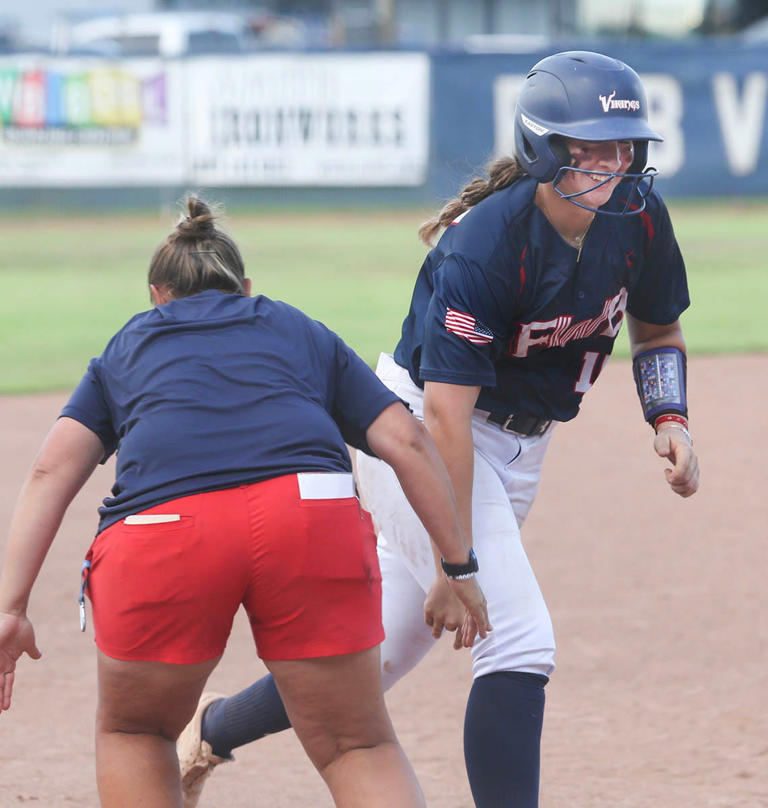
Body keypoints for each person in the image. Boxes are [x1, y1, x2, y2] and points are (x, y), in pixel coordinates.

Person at [175, 50, 701, 808]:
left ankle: (209, 733)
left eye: (622, 150)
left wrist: (669, 416)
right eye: (587, 150)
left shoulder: (639, 222)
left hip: (516, 449)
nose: (610, 167)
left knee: (370, 660)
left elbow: (658, 331)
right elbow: (447, 417)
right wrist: (460, 567)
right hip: (418, 435)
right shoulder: (487, 245)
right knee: (520, 640)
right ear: (542, 150)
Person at [0, 196, 492, 808]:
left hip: (164, 530)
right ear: (245, 288)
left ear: (157, 296)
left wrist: (11, 607)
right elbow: (407, 441)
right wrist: (457, 563)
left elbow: (51, 470)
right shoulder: (296, 327)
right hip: (309, 513)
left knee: (137, 731)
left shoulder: (128, 346)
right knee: (355, 745)